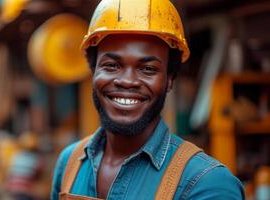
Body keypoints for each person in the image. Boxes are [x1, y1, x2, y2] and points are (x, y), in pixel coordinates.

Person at [51, 0, 245, 199]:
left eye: (148, 69)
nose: (127, 81)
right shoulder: (70, 163)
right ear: (93, 72)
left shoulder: (208, 184)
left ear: (169, 80)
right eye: (111, 65)